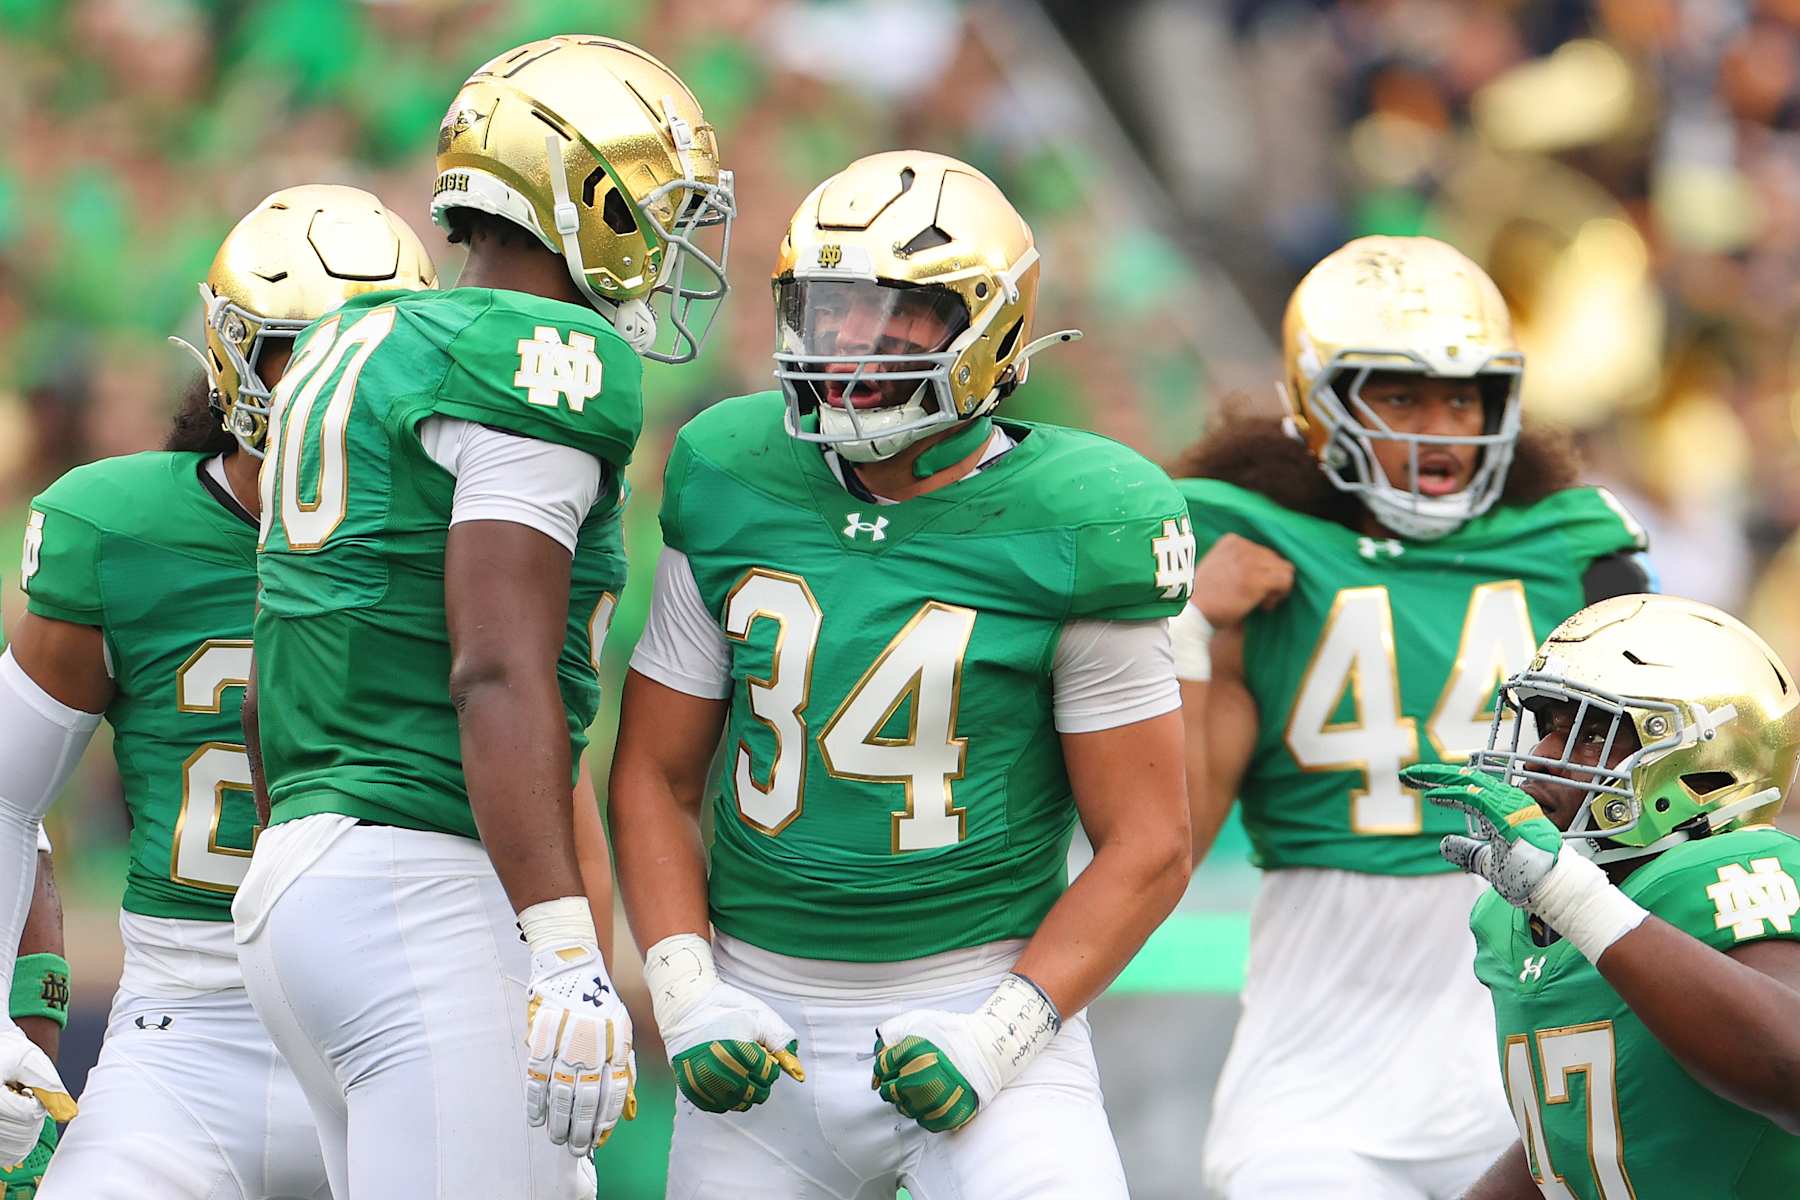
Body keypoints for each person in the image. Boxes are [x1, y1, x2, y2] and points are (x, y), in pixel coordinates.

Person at [609, 150, 1193, 1200]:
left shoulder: (1082, 517)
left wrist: (1001, 1035)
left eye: (898, 317)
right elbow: (656, 773)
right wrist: (686, 987)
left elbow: (1149, 842)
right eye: (829, 312)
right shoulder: (730, 470)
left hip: (981, 1001)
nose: (851, 347)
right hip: (754, 1021)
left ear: (993, 328)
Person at [231, 35, 733, 1199]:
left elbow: (271, 683)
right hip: (430, 884)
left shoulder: (349, 340)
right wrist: (561, 947)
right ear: (589, 194)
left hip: (303, 870)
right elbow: (497, 668)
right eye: (657, 205)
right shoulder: (540, 355)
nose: (668, 243)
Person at [1174, 235, 1654, 1199]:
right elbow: (1167, 833)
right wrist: (1185, 629)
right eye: (1399, 398)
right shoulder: (1240, 548)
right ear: (1322, 404)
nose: (1440, 431)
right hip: (1316, 1059)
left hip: (1531, 1030)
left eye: (1462, 399)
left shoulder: (1579, 556)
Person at [0, 183, 435, 1199]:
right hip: (189, 1031)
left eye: (372, 362)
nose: (343, 394)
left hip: (407, 1019)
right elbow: (6, 792)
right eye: (307, 357)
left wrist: (558, 966)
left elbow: (540, 774)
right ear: (238, 357)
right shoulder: (120, 527)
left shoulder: (469, 530)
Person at [1402, 593, 1800, 1198]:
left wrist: (1575, 900)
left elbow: (1790, 1072)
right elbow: (1591, 1140)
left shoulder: (1731, 870)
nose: (1542, 756)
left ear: (1703, 763)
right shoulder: (1518, 915)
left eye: (1592, 734)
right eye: (1550, 727)